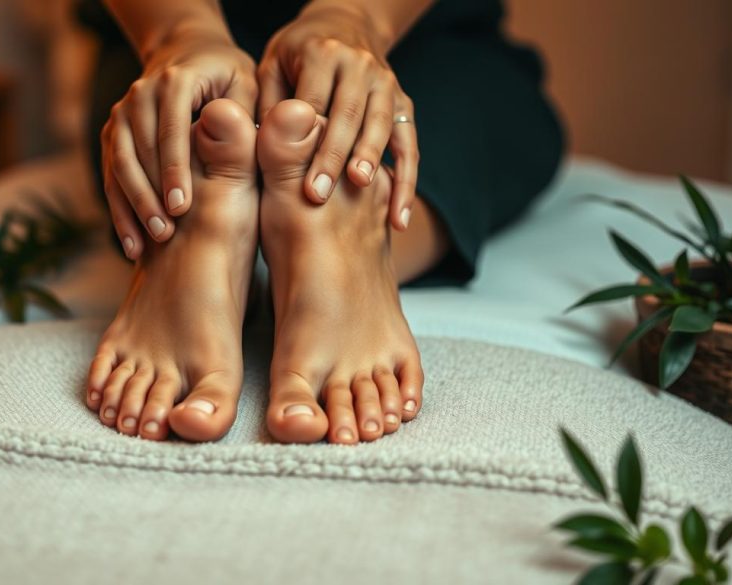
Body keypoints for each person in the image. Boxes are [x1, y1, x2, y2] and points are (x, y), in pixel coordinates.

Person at [77, 0, 563, 443]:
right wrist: (177, 36)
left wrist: (357, 18)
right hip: (158, 37)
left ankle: (206, 220)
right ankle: (332, 212)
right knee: (167, 106)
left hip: (413, 36)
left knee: (176, 124)